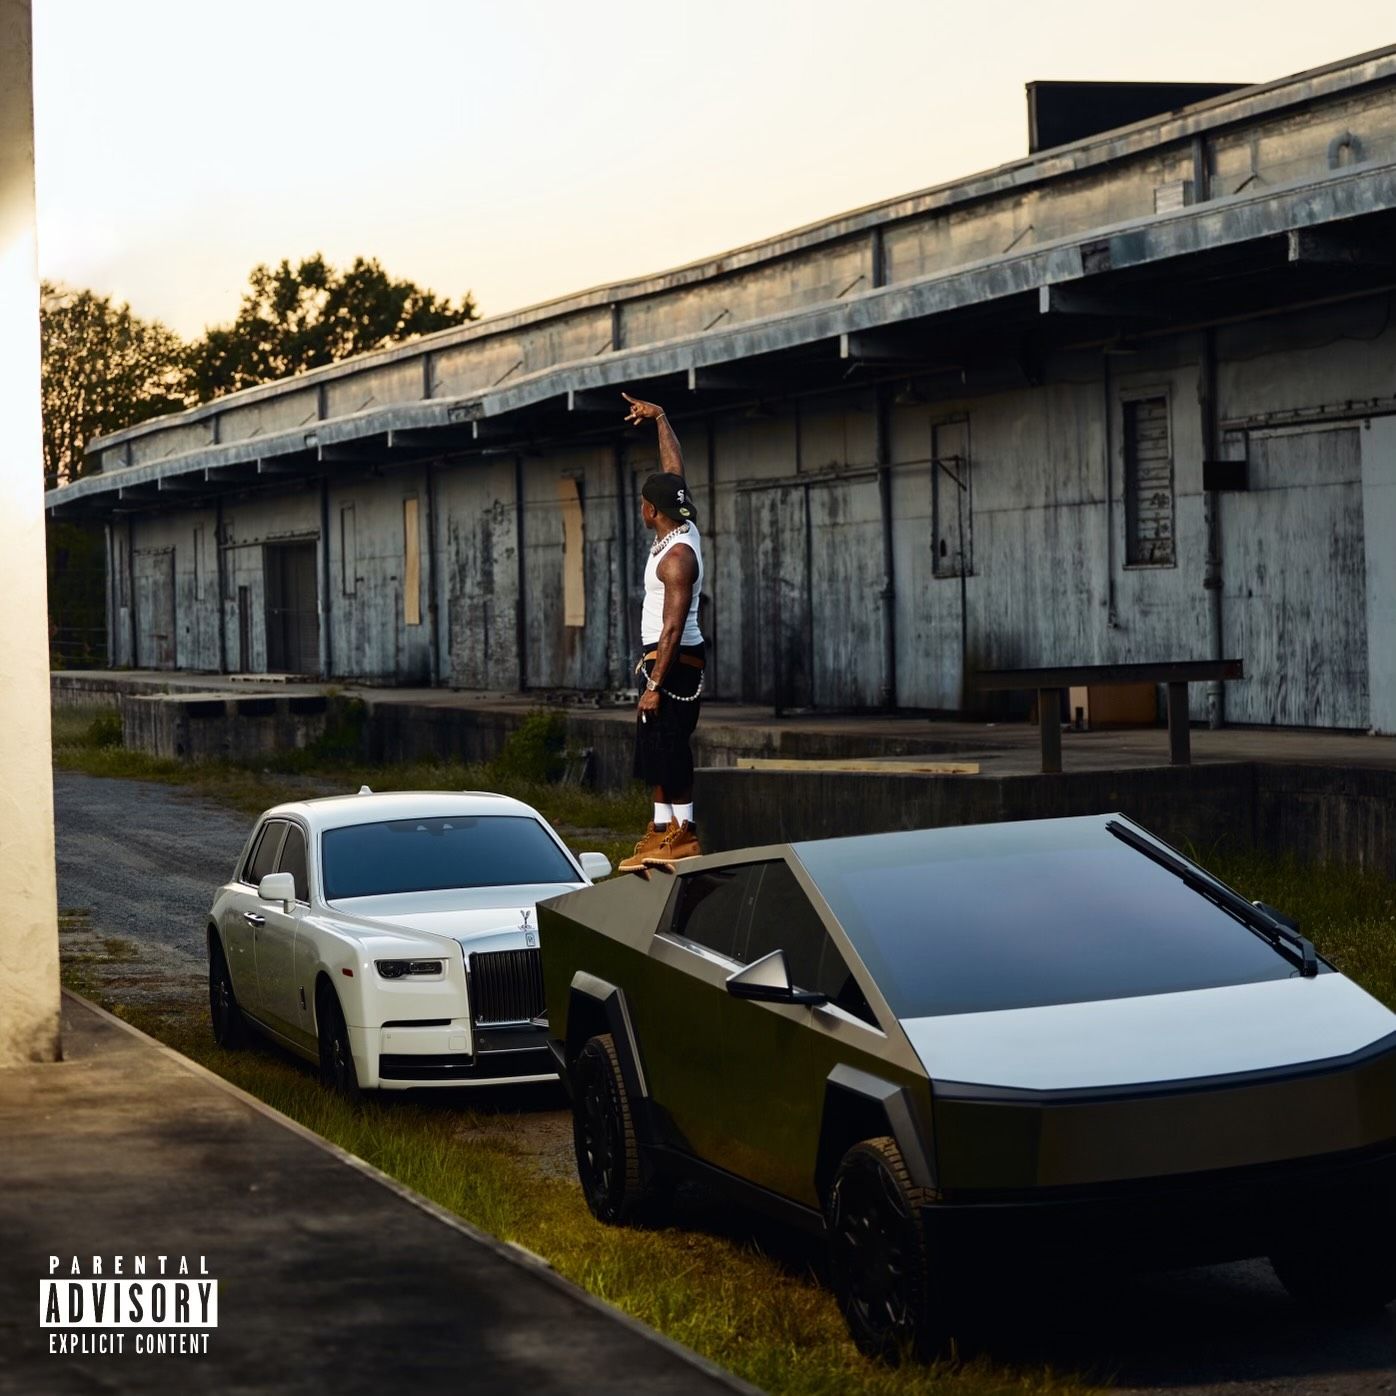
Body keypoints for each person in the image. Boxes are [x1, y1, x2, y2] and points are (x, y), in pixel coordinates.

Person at [617, 392, 705, 871]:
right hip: (659, 657)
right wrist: (661, 417)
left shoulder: (677, 558)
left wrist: (654, 685)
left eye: (643, 504)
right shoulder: (678, 528)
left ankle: (684, 832)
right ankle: (659, 829)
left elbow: (673, 627)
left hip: (673, 660)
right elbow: (674, 474)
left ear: (652, 511)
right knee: (654, 747)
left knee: (671, 747)